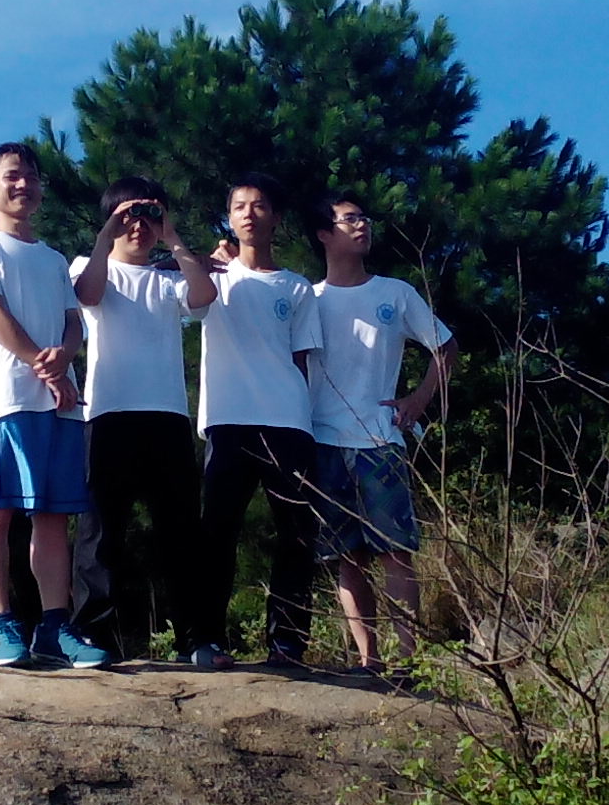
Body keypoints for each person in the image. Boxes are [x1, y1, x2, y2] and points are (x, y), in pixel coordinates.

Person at [0, 143, 107, 670]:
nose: (24, 185)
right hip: (10, 398)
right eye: (12, 176)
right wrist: (44, 368)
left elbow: (73, 320)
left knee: (53, 516)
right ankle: (1, 624)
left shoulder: (53, 258)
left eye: (32, 177)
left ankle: (54, 626)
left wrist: (64, 360)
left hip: (62, 404)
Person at [303, 192, 455, 673]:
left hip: (380, 440)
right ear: (325, 234)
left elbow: (446, 347)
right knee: (346, 556)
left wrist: (419, 399)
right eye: (349, 219)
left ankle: (410, 660)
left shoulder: (395, 292)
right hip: (323, 439)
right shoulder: (310, 298)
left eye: (364, 217)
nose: (362, 225)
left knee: (395, 551)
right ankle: (368, 660)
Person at [70, 175, 217, 661]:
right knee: (99, 533)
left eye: (148, 216)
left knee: (179, 532)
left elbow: (203, 298)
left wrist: (173, 239)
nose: (139, 226)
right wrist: (103, 237)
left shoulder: (169, 277)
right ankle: (92, 636)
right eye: (128, 216)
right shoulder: (89, 265)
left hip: (167, 416)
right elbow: (88, 295)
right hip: (107, 414)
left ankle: (194, 638)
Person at [193, 172, 324, 668]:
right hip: (228, 421)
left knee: (295, 534)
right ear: (229, 218)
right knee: (216, 534)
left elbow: (302, 362)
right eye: (240, 206)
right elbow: (152, 278)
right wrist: (204, 261)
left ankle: (288, 642)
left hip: (288, 422)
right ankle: (207, 639)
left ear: (276, 218)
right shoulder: (210, 280)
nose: (249, 213)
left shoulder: (297, 287)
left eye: (260, 205)